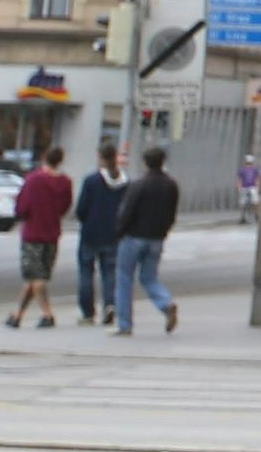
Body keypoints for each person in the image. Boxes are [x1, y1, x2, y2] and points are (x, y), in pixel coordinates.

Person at [110, 145, 181, 335]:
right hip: (156, 238)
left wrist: (119, 231)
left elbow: (127, 212)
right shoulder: (171, 185)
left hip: (133, 237)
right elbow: (172, 213)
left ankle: (125, 324)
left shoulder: (139, 185)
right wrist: (163, 231)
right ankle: (166, 303)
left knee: (124, 278)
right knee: (149, 277)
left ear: (145, 163)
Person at [6, 145, 70, 329]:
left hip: (33, 233)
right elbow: (65, 207)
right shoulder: (65, 182)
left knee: (35, 277)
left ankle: (47, 314)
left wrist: (19, 210)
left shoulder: (33, 180)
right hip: (52, 233)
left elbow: (22, 208)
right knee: (36, 277)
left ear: (44, 158)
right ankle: (17, 315)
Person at [73, 141, 126, 325]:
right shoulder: (124, 182)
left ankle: (88, 313)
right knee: (109, 272)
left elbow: (81, 209)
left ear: (100, 157)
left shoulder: (91, 181)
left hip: (90, 232)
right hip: (113, 233)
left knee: (86, 272)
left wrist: (85, 220)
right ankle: (110, 305)